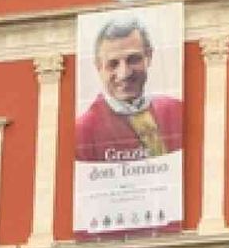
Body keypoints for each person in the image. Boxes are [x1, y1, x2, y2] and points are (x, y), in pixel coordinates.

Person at [76, 15, 182, 162]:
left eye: (133, 59)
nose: (124, 73)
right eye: (113, 64)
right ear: (99, 67)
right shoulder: (83, 132)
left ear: (149, 56)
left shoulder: (176, 110)